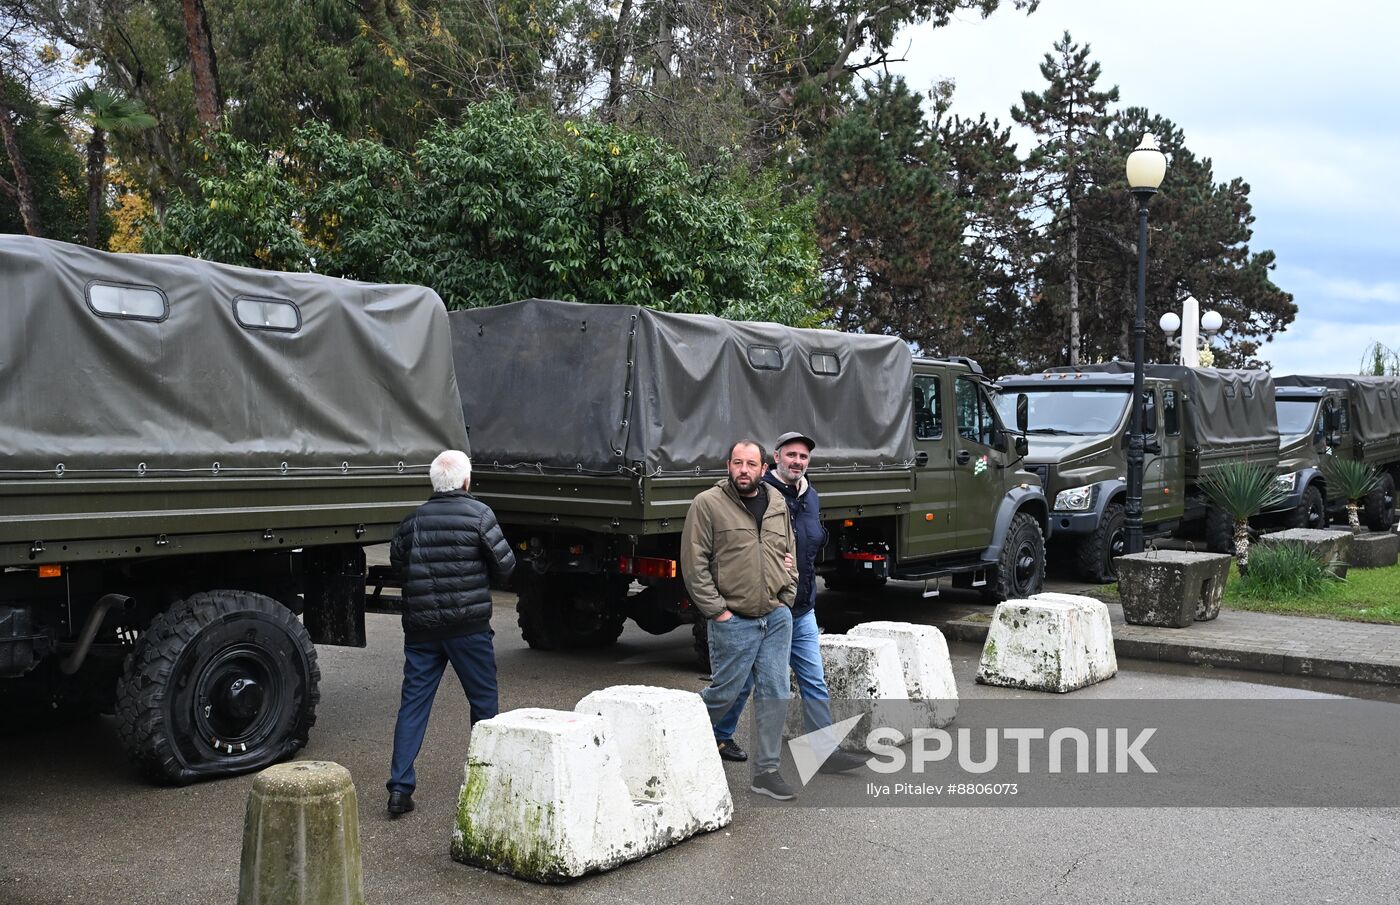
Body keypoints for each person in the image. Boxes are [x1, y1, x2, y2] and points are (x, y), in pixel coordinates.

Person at [712, 432, 866, 774]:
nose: (797, 461)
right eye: (791, 455)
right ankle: (717, 734)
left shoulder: (810, 495)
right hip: (768, 605)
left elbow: (809, 544)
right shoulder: (762, 493)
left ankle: (823, 751)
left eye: (803, 457)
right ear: (776, 459)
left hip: (803, 605)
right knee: (745, 679)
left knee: (813, 677)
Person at [385, 449, 515, 817]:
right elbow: (506, 566)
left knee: (413, 705)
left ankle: (399, 788)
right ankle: (486, 786)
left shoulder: (412, 522)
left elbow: (398, 564)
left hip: (422, 630)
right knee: (484, 706)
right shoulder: (480, 515)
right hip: (469, 628)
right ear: (467, 481)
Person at [681, 439, 799, 800]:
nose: (744, 470)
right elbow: (694, 563)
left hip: (775, 618)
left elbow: (788, 550)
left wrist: (786, 596)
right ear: (728, 466)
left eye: (751, 464)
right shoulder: (708, 504)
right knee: (726, 692)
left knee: (776, 693)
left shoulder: (777, 502)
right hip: (734, 620)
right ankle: (677, 735)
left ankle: (766, 772)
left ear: (764, 468)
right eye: (737, 463)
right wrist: (719, 611)